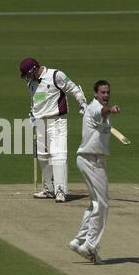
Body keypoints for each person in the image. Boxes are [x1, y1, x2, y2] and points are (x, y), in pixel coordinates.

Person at [19, 57, 87, 203]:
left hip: (56, 121)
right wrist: (32, 115)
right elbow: (35, 103)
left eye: (27, 74)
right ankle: (49, 189)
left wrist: (83, 103)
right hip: (40, 123)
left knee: (58, 155)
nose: (26, 77)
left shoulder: (56, 76)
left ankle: (61, 190)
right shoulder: (31, 84)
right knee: (43, 156)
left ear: (34, 69)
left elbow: (73, 88)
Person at [68, 80, 120, 264]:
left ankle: (79, 241)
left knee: (95, 203)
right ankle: (90, 245)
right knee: (103, 204)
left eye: (108, 92)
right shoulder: (97, 108)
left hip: (89, 159)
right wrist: (110, 109)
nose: (106, 95)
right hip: (92, 160)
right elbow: (102, 112)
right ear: (96, 94)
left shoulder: (92, 108)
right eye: (102, 92)